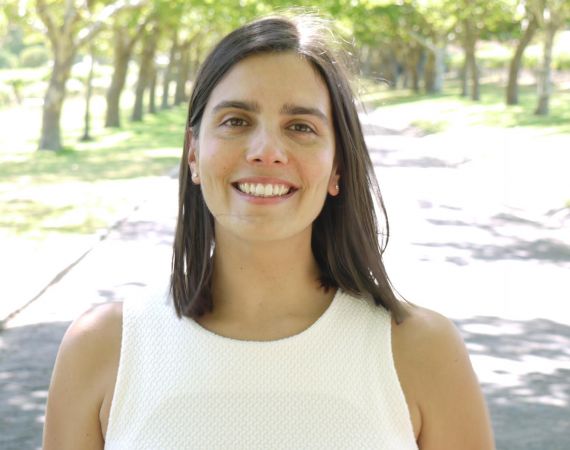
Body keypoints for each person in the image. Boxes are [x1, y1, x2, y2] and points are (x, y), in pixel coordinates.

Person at [43, 14, 495, 450]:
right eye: (236, 121)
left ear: (338, 166)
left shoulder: (422, 351)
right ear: (193, 153)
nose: (266, 151)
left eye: (300, 127)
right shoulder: (102, 348)